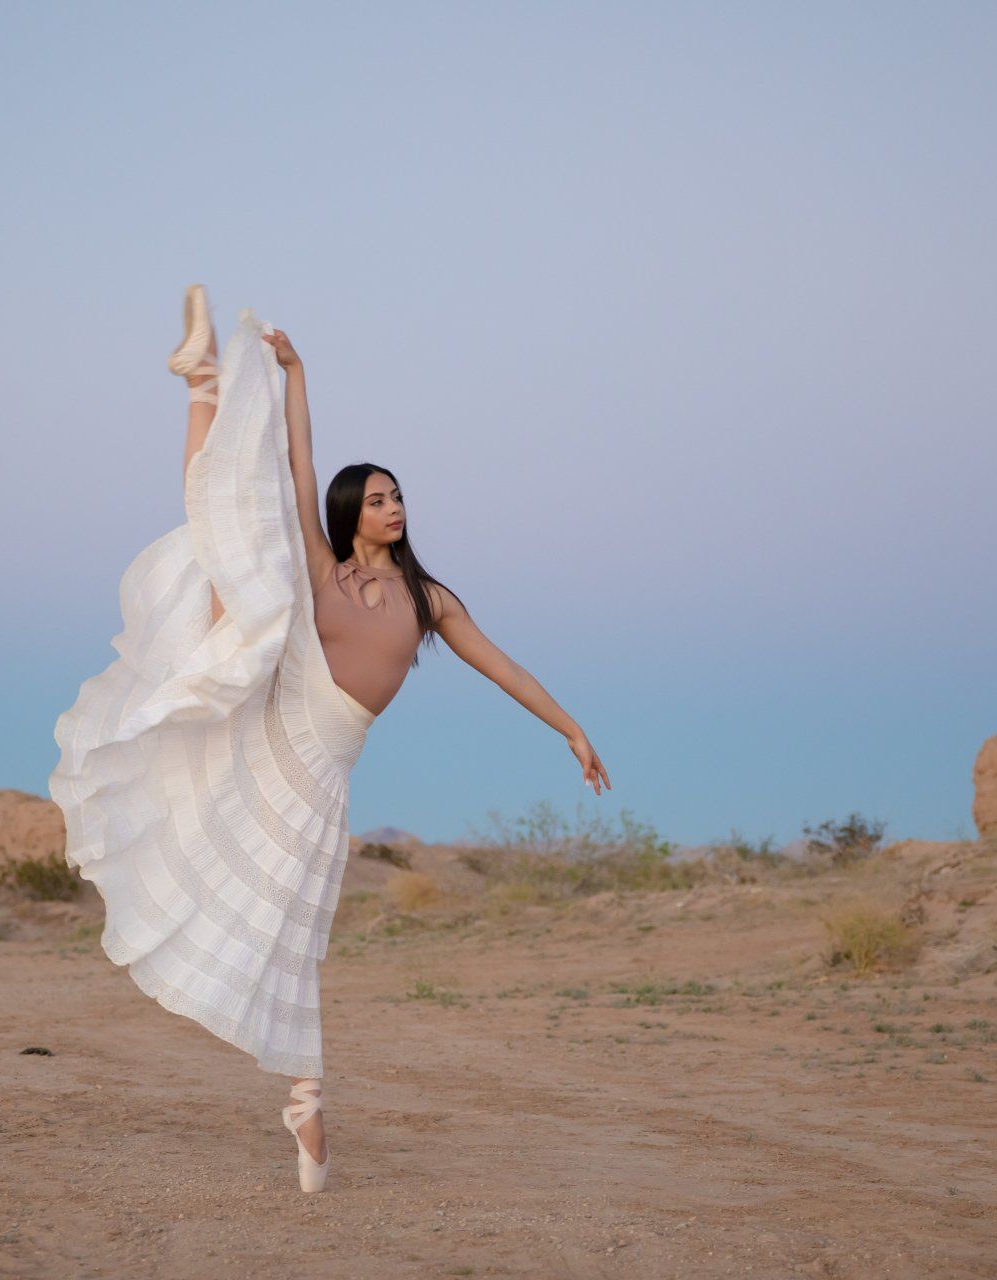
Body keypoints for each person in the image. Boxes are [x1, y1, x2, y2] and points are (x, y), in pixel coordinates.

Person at [48, 284, 609, 1193]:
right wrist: (297, 375)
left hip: (320, 770)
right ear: (353, 511)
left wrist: (572, 729)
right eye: (380, 498)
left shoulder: (432, 601)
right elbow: (298, 463)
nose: (394, 507)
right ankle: (200, 385)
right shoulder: (321, 564)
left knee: (294, 927)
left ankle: (303, 1098)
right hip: (274, 717)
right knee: (232, 534)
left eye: (398, 497)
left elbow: (503, 667)